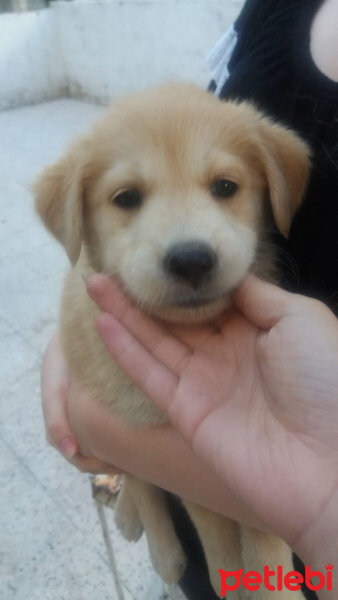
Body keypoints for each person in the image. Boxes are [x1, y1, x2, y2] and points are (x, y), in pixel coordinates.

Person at [41, 0, 338, 598]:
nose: (189, 243)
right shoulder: (273, 10)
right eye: (129, 196)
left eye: (223, 186)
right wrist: (67, 350)